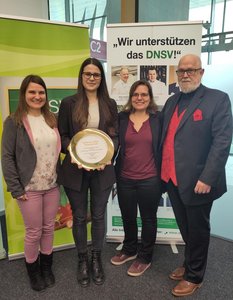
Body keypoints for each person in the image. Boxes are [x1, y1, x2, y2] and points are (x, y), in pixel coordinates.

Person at [161, 54, 232, 297]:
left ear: (201, 72)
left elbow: (222, 142)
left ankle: (194, 276)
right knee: (185, 227)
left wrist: (208, 178)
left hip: (199, 181)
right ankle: (190, 262)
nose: (185, 74)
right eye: (181, 71)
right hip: (172, 178)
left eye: (191, 70)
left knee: (198, 229)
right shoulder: (172, 101)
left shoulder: (217, 100)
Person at [58, 57, 118, 287]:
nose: (92, 78)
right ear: (81, 76)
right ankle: (82, 259)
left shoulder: (109, 103)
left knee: (100, 215)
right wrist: (74, 153)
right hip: (75, 169)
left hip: (103, 169)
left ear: (101, 78)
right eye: (88, 74)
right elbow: (62, 136)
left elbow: (115, 135)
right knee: (80, 216)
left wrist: (108, 155)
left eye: (96, 74)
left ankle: (96, 258)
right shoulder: (68, 103)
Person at [1, 75, 61, 292]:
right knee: (34, 231)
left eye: (41, 92)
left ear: (46, 95)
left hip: (52, 186)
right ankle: (33, 272)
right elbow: (7, 157)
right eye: (32, 92)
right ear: (24, 95)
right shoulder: (14, 121)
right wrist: (16, 188)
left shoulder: (51, 119)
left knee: (48, 228)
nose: (37, 96)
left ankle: (47, 267)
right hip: (29, 189)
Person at [111, 80, 162, 277]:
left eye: (144, 94)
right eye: (136, 95)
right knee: (128, 216)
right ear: (131, 97)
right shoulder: (122, 118)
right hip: (125, 178)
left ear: (150, 97)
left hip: (150, 179)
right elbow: (113, 143)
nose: (139, 98)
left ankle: (145, 257)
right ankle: (130, 249)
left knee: (148, 219)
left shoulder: (158, 118)